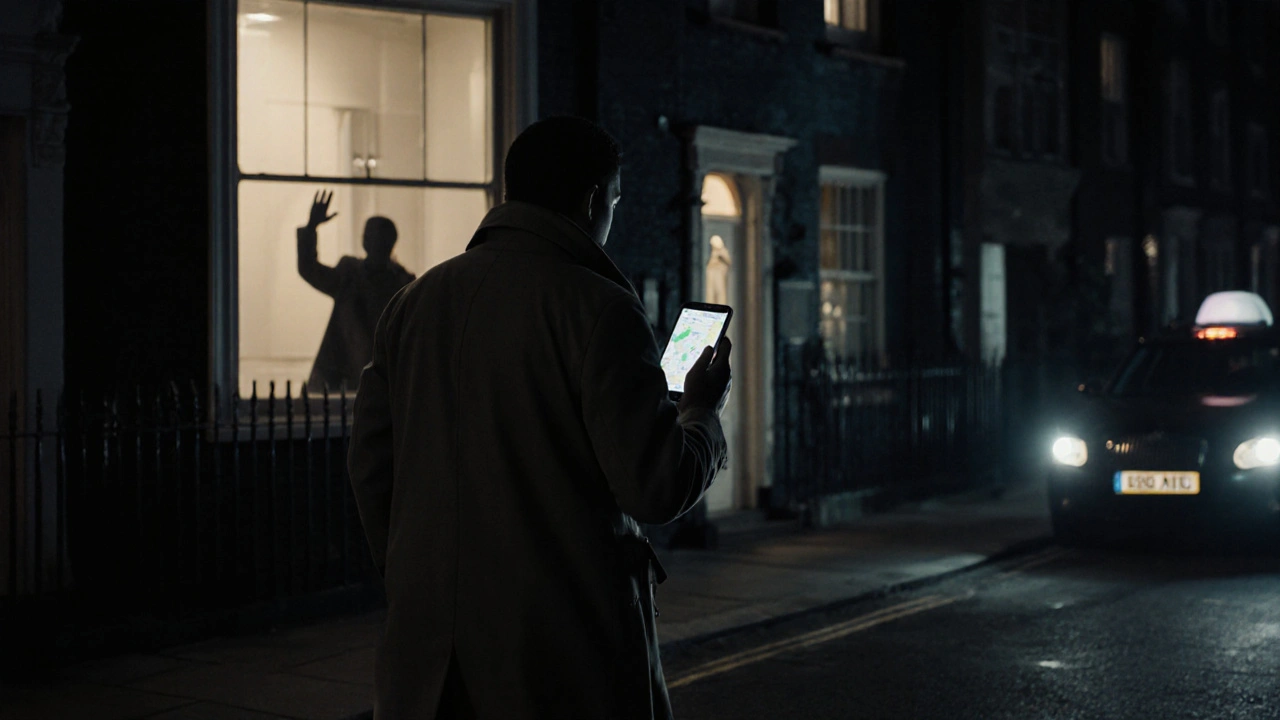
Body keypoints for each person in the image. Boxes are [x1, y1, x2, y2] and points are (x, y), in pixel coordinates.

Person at [347, 116, 732, 720]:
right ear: (592, 199)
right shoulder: (600, 309)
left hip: (425, 663)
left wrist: (415, 577)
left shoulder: (413, 304)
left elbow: (371, 467)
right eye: (616, 200)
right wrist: (702, 413)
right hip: (558, 658)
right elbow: (655, 485)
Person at [296, 190, 415, 391]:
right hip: (344, 380)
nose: (372, 242)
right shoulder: (354, 275)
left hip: (369, 382)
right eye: (370, 236)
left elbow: (309, 269)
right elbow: (309, 269)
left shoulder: (399, 285)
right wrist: (310, 227)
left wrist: (311, 226)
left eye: (375, 237)